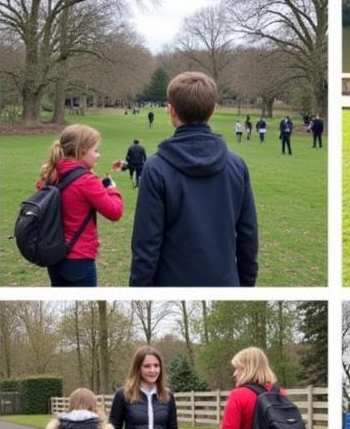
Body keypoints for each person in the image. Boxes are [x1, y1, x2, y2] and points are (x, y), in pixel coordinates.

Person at [129, 72, 258, 286]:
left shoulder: (156, 168)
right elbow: (249, 237)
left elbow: (145, 244)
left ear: (171, 111)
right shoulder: (236, 165)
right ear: (213, 110)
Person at [35, 124, 124, 287]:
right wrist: (111, 188)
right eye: (95, 150)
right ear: (81, 150)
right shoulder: (86, 181)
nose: (99, 155)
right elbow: (115, 212)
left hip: (55, 255)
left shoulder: (51, 173)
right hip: (78, 258)